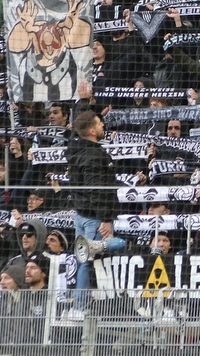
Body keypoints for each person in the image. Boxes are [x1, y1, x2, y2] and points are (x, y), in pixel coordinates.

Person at [67, 111, 125, 293]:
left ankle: (81, 305)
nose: (103, 126)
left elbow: (77, 128)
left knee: (84, 260)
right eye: (100, 123)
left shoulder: (75, 147)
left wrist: (84, 104)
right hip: (95, 219)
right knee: (91, 260)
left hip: (81, 215)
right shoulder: (92, 155)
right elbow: (97, 190)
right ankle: (80, 308)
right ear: (92, 131)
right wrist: (105, 218)